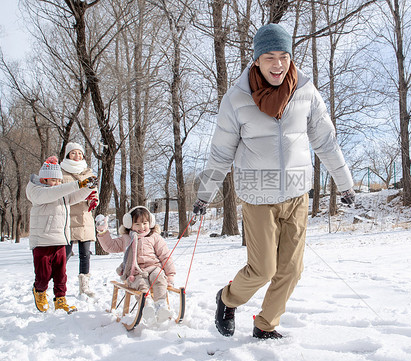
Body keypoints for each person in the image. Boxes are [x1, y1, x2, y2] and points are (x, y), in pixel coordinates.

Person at [193, 23, 355, 339]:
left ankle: (266, 324)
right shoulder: (236, 99)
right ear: (256, 60)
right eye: (269, 57)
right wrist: (204, 194)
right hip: (256, 197)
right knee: (263, 269)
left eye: (284, 56)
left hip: (296, 194)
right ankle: (227, 299)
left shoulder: (306, 92)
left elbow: (326, 142)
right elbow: (221, 153)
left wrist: (344, 183)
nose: (278, 64)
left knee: (292, 269)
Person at [27, 156, 97, 314]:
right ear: (44, 179)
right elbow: (54, 193)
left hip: (60, 238)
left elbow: (75, 196)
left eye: (59, 180)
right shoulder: (36, 191)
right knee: (43, 275)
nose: (57, 183)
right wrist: (78, 184)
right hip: (42, 241)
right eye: (53, 180)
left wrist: (89, 188)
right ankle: (39, 291)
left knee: (61, 274)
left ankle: (60, 299)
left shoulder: (61, 191)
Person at [95, 206, 176, 323]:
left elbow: (165, 255)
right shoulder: (126, 238)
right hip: (135, 271)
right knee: (141, 284)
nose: (142, 227)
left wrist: (170, 274)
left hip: (154, 268)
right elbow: (110, 246)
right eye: (137, 224)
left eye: (145, 223)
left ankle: (161, 305)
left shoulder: (155, 237)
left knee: (159, 279)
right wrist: (102, 232)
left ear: (150, 222)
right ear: (129, 224)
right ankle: (146, 306)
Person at [60, 142, 98, 297]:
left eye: (80, 153)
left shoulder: (88, 172)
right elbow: (58, 192)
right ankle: (59, 284)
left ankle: (85, 287)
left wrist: (93, 200)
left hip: (84, 216)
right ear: (68, 154)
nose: (77, 156)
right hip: (67, 217)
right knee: (65, 254)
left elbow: (95, 192)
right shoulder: (61, 173)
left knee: (85, 254)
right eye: (74, 153)